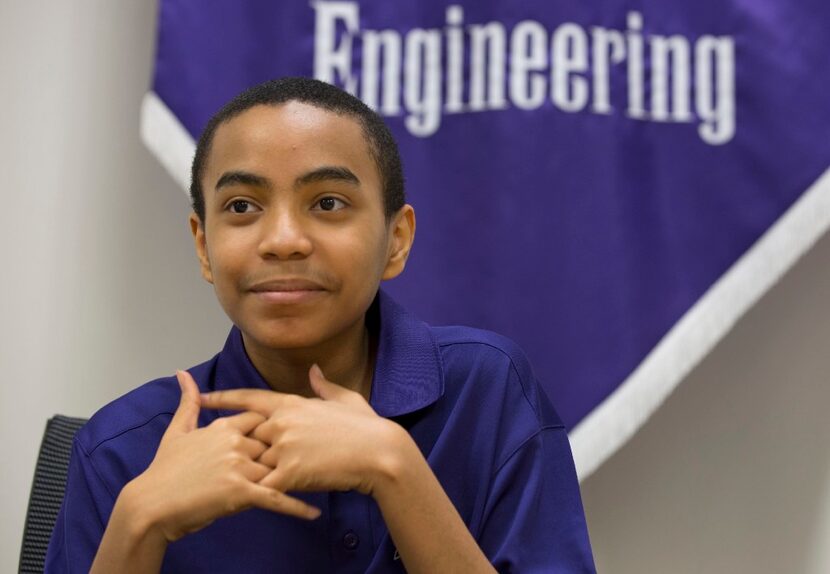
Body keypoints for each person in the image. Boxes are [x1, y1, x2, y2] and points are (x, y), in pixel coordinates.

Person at [45, 77, 596, 573]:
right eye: (241, 207)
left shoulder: (488, 390)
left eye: (328, 202)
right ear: (203, 245)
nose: (284, 239)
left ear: (396, 240)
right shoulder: (120, 448)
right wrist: (140, 522)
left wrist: (395, 468)